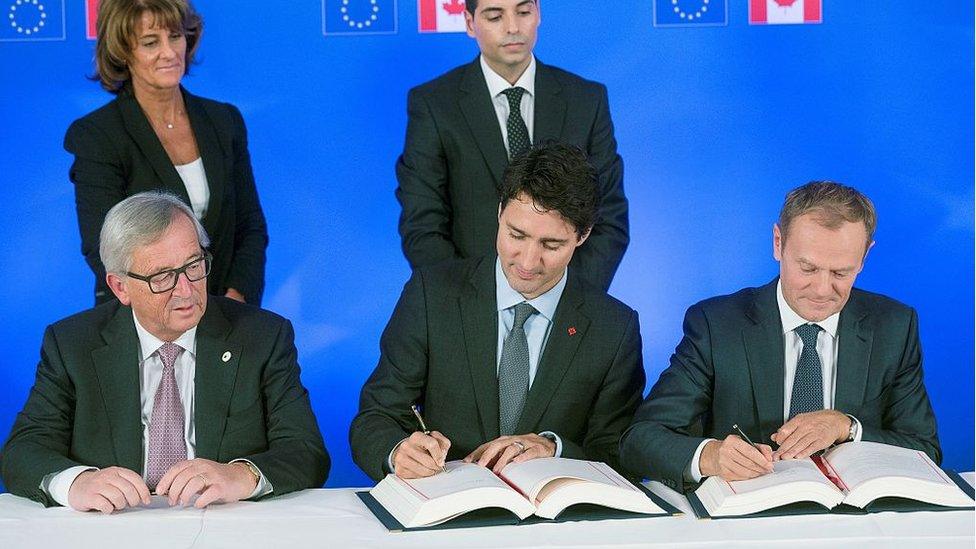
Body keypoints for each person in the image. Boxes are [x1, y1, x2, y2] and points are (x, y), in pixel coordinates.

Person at [0, 192, 328, 512]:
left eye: (193, 266)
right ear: (120, 287)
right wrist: (76, 483)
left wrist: (241, 474)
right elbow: (24, 450)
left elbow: (306, 451)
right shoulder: (73, 344)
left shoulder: (263, 336)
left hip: (223, 526)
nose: (185, 290)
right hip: (114, 531)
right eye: (162, 277)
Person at [619, 181, 941, 492]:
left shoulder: (894, 327)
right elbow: (640, 440)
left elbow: (925, 451)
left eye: (841, 273)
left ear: (865, 256)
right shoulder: (717, 325)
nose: (821, 289)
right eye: (807, 268)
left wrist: (847, 427)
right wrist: (710, 456)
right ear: (778, 243)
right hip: (749, 523)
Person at [352, 143, 645, 481]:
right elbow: (374, 418)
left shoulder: (614, 327)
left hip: (554, 527)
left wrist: (556, 449)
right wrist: (396, 451)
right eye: (516, 235)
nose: (527, 262)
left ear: (582, 236)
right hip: (445, 512)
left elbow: (622, 452)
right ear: (499, 212)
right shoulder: (431, 295)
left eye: (551, 245)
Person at [395, 0, 628, 292]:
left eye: (523, 12)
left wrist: (567, 300)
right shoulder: (434, 105)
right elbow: (422, 224)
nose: (513, 27)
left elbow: (609, 216)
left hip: (568, 307)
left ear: (538, 14)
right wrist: (465, 303)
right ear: (469, 22)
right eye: (495, 16)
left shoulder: (585, 99)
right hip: (469, 304)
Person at [65, 0, 267, 306]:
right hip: (142, 321)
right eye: (150, 42)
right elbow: (103, 248)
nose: (169, 52)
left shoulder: (224, 120)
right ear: (123, 52)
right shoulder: (97, 135)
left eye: (175, 36)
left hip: (227, 319)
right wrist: (174, 309)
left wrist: (235, 301)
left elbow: (250, 227)